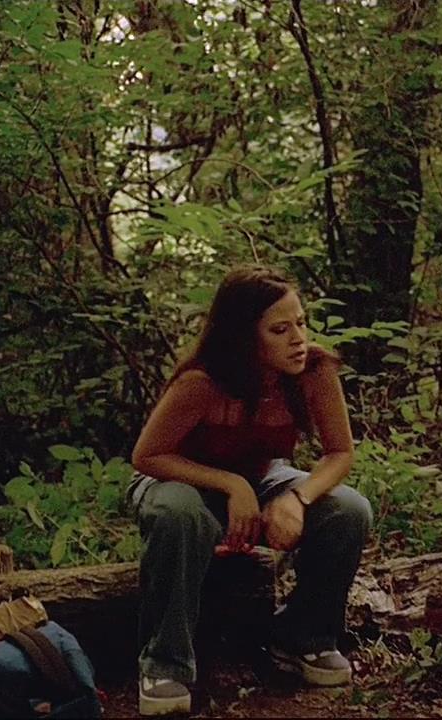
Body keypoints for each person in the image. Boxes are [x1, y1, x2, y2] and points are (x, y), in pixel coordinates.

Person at [127, 266, 372, 716]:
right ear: (243, 336)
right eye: (280, 330)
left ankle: (304, 638)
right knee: (180, 512)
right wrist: (231, 485)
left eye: (301, 322)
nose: (298, 338)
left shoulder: (315, 371)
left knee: (349, 508)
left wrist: (296, 499)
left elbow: (340, 453)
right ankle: (165, 663)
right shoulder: (202, 383)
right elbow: (147, 456)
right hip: (178, 480)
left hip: (263, 479)